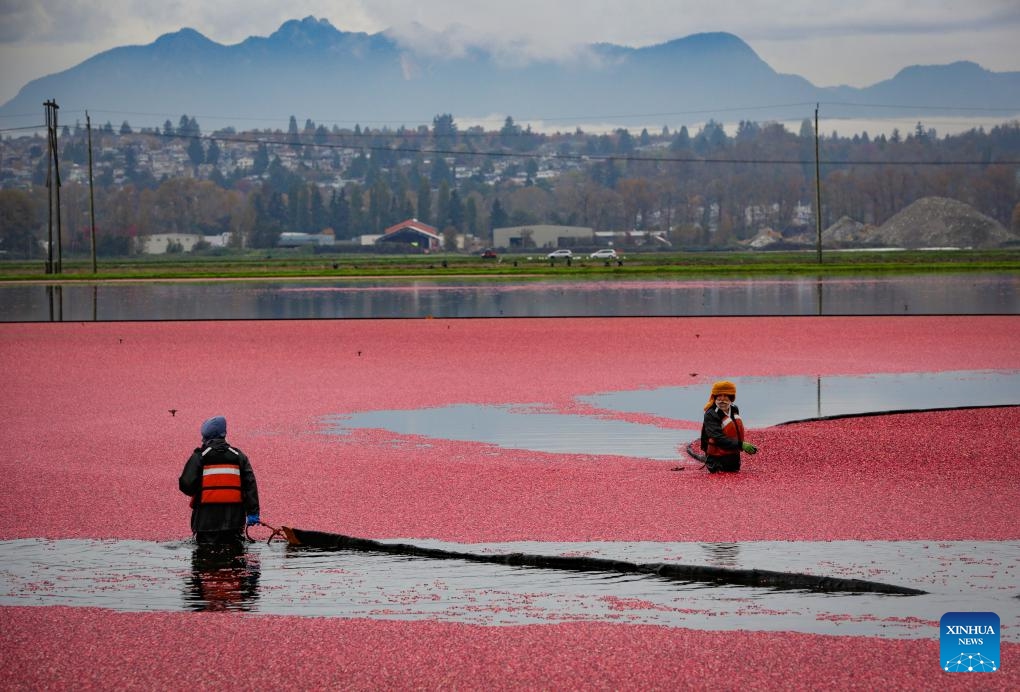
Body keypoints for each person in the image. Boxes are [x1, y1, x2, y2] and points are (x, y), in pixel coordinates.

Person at [179, 416, 260, 544]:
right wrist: (253, 512)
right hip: (234, 523)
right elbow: (250, 485)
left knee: (205, 556)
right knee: (235, 557)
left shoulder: (199, 456)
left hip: (205, 523)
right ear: (224, 434)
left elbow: (186, 485)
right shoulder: (239, 456)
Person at [700, 380, 757, 473]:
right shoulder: (710, 414)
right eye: (719, 396)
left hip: (733, 458)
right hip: (716, 460)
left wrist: (741, 445)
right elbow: (717, 437)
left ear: (731, 397)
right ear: (714, 397)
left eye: (726, 395)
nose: (722, 399)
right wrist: (741, 445)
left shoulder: (734, 409)